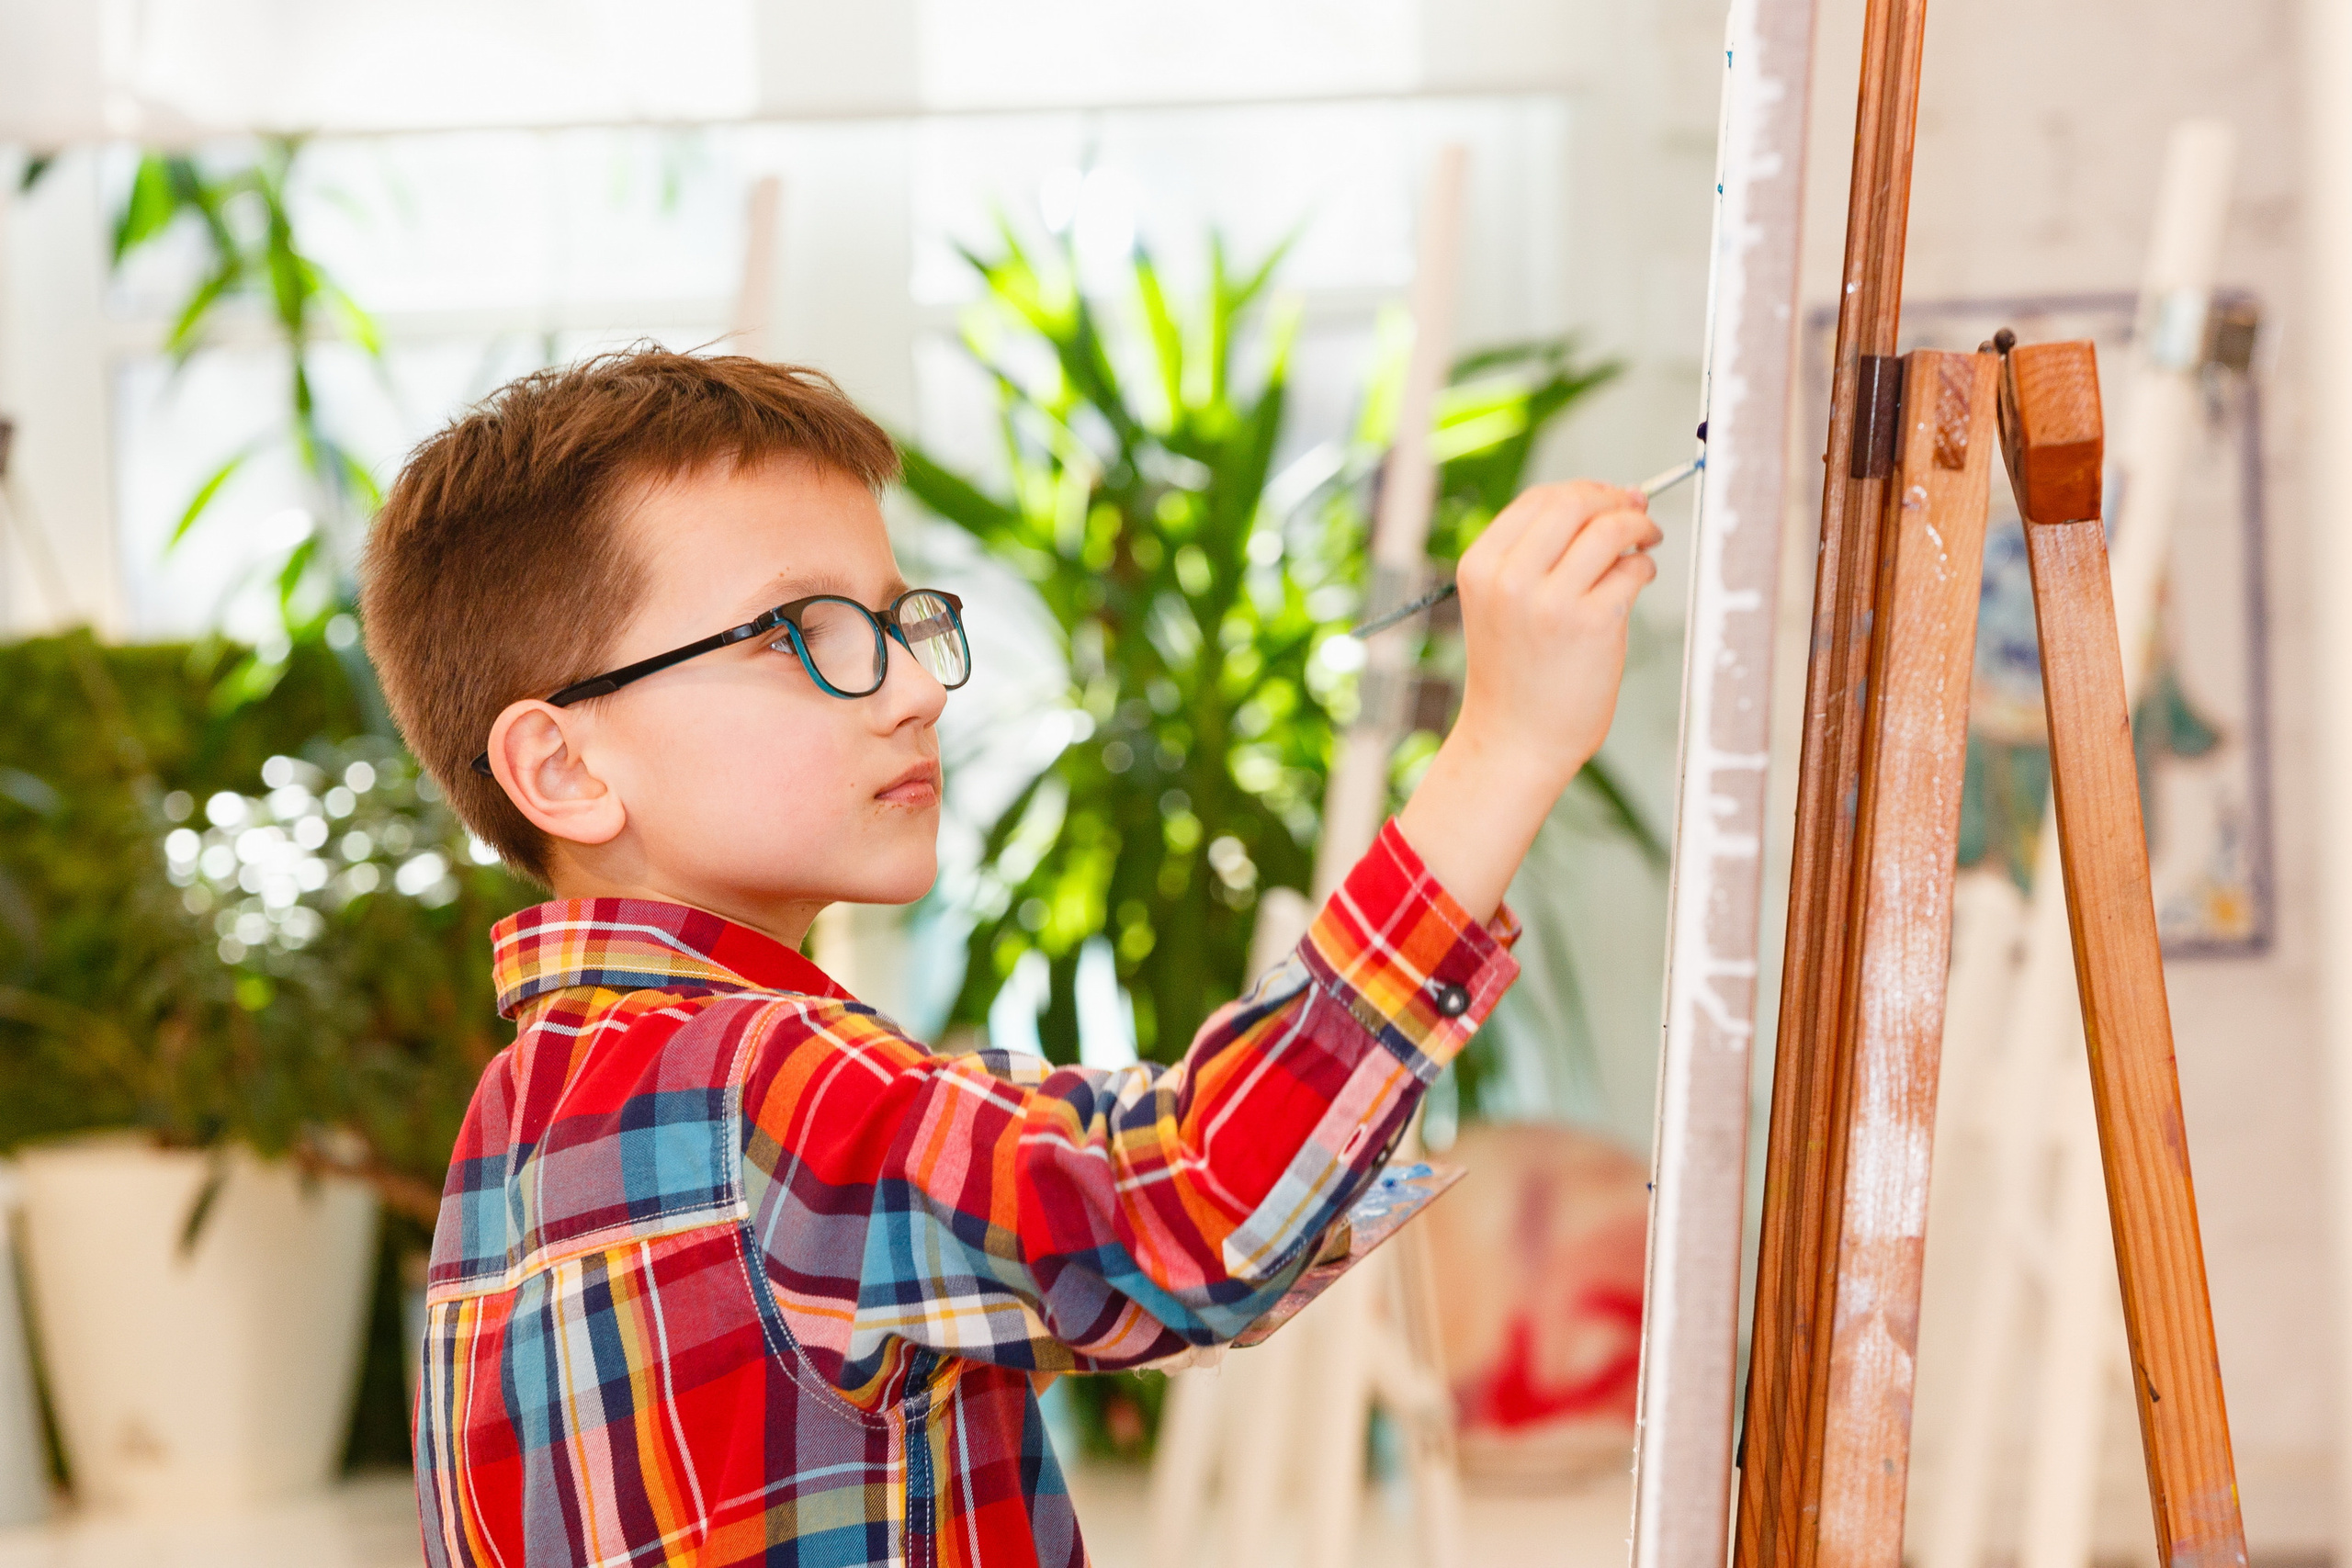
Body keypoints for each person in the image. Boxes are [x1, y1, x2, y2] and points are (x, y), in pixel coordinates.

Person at [364, 347, 1659, 1568]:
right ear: (563, 767)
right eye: (794, 631)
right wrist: (1505, 747)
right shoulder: (766, 1090)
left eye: (895, 621)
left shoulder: (511, 1132)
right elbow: (1201, 1206)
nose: (916, 689)